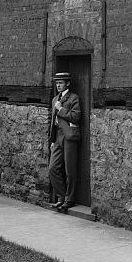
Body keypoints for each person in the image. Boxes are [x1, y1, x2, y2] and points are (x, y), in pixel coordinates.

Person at [47, 71, 81, 213]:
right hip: (58, 137)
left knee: (70, 169)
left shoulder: (73, 98)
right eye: (57, 83)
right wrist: (52, 139)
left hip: (69, 136)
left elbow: (76, 116)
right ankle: (61, 196)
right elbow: (52, 122)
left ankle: (69, 199)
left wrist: (61, 109)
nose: (58, 85)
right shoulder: (55, 99)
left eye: (61, 83)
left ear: (67, 83)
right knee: (52, 168)